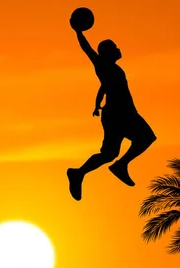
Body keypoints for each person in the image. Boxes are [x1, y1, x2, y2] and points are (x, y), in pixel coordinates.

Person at [67, 28, 157, 201]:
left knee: (108, 154)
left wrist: (97, 104)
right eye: (115, 47)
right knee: (146, 137)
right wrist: (79, 32)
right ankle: (120, 166)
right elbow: (87, 49)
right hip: (121, 114)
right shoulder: (102, 65)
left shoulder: (113, 69)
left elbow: (104, 86)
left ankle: (78, 173)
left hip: (116, 114)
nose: (118, 49)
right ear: (108, 53)